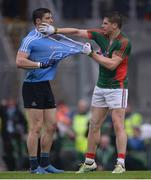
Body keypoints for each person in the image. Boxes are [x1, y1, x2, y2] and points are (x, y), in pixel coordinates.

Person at [38, 11, 132, 173]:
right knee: (94, 124)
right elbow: (77, 31)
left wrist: (91, 54)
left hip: (118, 88)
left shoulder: (123, 42)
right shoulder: (101, 34)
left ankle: (120, 164)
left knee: (118, 125)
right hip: (101, 87)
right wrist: (55, 30)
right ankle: (90, 162)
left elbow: (111, 65)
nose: (102, 26)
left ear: (114, 26)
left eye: (105, 24)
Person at [16, 8, 89, 174]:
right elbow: (19, 61)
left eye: (51, 18)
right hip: (32, 86)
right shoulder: (30, 39)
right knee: (36, 127)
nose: (51, 21)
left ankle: (46, 163)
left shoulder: (52, 36)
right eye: (48, 18)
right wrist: (39, 65)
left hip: (45, 85)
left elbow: (74, 32)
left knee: (51, 126)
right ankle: (34, 167)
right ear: (37, 22)